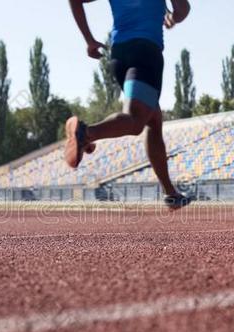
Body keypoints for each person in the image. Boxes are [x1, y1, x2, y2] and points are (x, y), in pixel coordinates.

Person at [66, 0, 192, 210]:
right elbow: (183, 9)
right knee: (135, 122)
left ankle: (171, 194)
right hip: (146, 53)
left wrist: (89, 40)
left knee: (154, 119)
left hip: (119, 55)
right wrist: (173, 17)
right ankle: (86, 134)